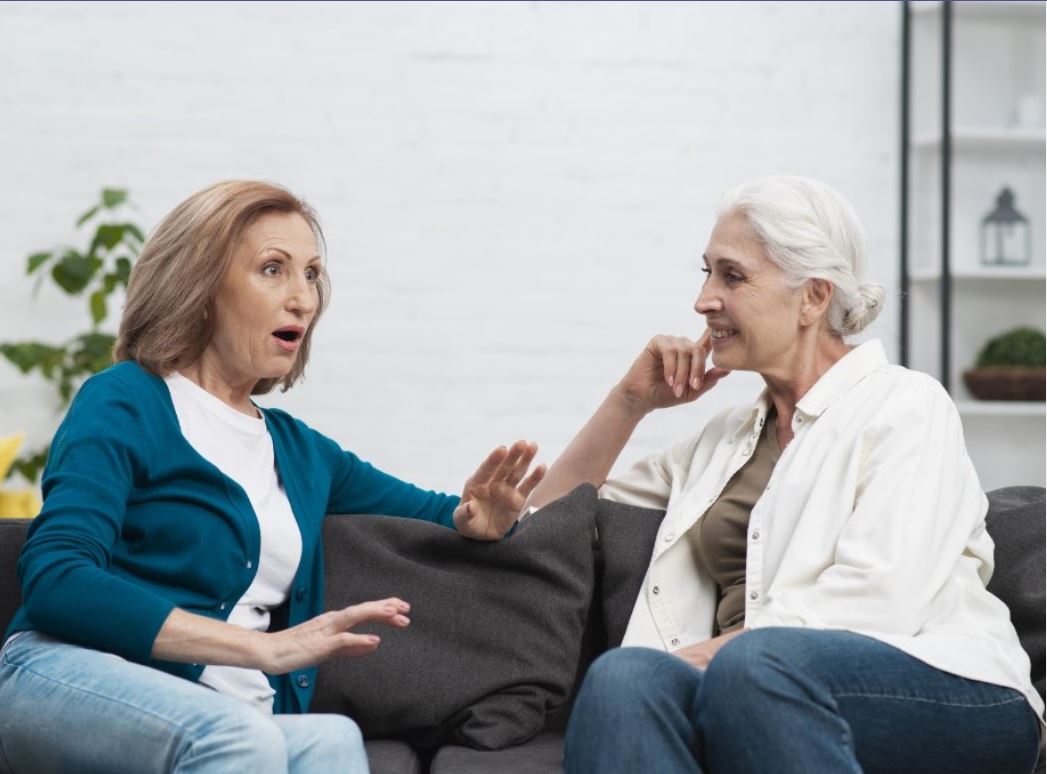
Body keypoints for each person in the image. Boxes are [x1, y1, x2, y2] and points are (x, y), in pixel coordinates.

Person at [0, 180, 545, 774]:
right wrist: (265, 649)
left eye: (311, 274)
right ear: (201, 287)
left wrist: (480, 520)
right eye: (272, 269)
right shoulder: (126, 400)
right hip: (64, 677)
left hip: (227, 717)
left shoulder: (302, 452)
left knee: (333, 741)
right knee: (244, 740)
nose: (303, 299)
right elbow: (58, 578)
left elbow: (450, 516)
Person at [525, 176, 1043, 773]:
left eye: (733, 276)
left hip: (947, 684)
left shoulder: (907, 407)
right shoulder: (722, 443)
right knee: (621, 677)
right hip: (750, 687)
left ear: (814, 298)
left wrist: (705, 657)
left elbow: (881, 600)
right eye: (706, 273)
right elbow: (551, 520)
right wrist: (629, 402)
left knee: (755, 666)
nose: (704, 300)